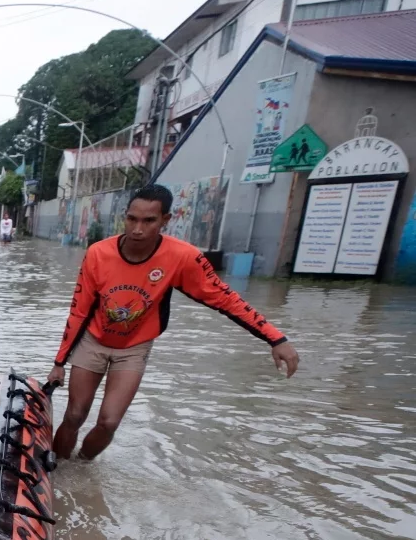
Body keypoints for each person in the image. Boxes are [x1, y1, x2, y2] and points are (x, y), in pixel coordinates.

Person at [48, 183, 300, 461]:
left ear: (166, 220)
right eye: (132, 218)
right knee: (74, 414)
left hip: (134, 347)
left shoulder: (182, 257)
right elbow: (79, 310)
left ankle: (82, 469)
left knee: (108, 422)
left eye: (149, 221)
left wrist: (275, 338)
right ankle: (57, 470)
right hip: (93, 341)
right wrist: (59, 363)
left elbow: (224, 298)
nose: (138, 229)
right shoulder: (98, 253)